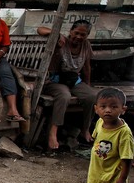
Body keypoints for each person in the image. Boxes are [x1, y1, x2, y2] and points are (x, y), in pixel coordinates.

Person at [37, 20, 98, 150]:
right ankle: (53, 132)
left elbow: (87, 67)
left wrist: (87, 85)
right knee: (64, 96)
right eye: (76, 33)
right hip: (55, 80)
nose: (79, 37)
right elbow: (40, 30)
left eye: (83, 35)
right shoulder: (62, 41)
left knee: (92, 96)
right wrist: (56, 34)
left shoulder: (86, 45)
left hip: (73, 80)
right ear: (71, 31)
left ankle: (85, 129)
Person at [83, 88, 134, 183]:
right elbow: (97, 140)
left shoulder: (124, 133)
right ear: (96, 109)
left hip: (113, 175)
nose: (108, 111)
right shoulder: (99, 122)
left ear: (123, 109)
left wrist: (122, 178)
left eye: (113, 107)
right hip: (98, 172)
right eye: (103, 106)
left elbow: (127, 158)